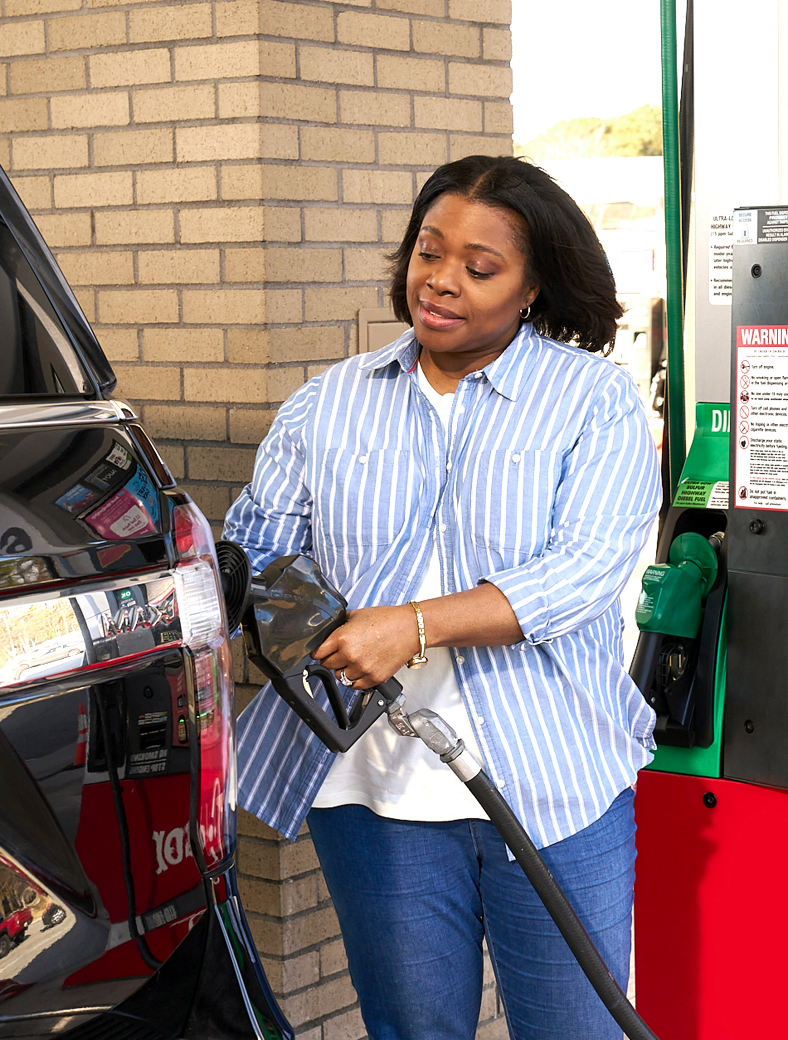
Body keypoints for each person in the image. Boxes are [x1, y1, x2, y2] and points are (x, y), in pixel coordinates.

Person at [224, 155, 660, 1040]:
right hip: (377, 801)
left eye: (480, 266)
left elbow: (583, 570)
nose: (442, 282)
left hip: (556, 791)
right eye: (430, 252)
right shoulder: (328, 403)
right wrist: (307, 622)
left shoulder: (592, 401)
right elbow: (255, 548)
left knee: (577, 1028)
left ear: (533, 285)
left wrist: (413, 627)